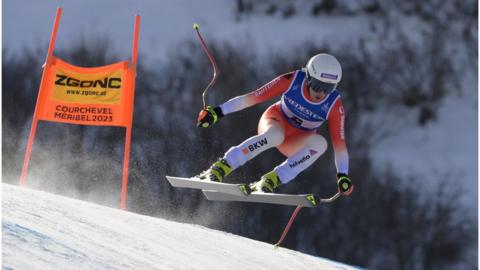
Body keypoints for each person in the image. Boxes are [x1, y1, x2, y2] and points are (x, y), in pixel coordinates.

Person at [196, 53, 353, 195]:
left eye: (329, 88)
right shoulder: (292, 80)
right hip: (275, 120)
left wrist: (343, 175)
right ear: (308, 77)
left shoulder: (334, 105)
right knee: (275, 136)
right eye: (318, 86)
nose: (322, 93)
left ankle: (272, 180)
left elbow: (339, 144)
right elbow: (253, 97)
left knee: (321, 144)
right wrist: (217, 112)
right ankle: (222, 167)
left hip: (296, 140)